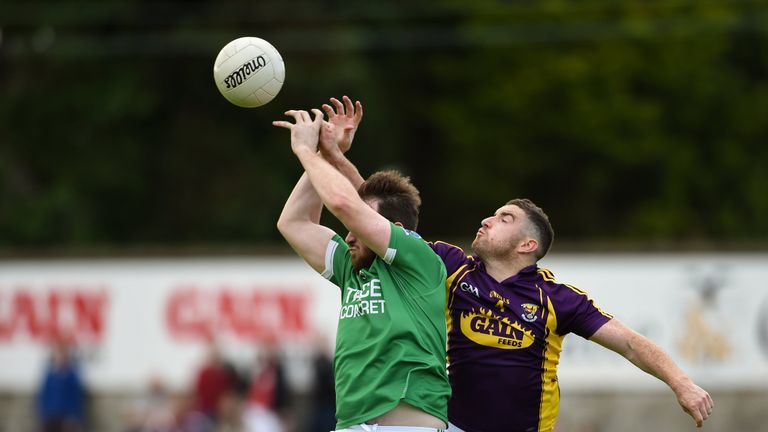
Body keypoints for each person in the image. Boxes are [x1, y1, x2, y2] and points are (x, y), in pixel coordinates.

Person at [316, 96, 715, 432]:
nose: (489, 219)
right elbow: (378, 222)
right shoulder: (450, 266)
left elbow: (629, 341)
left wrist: (681, 383)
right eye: (493, 213)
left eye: (504, 218)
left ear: (527, 244)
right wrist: (335, 158)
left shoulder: (558, 299)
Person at [273, 102, 451, 431]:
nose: (348, 235)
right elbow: (293, 222)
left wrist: (305, 150)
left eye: (359, 226)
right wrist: (329, 154)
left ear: (396, 228)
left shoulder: (418, 259)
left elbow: (343, 203)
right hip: (350, 423)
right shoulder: (351, 267)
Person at [36, 338, 87, 432]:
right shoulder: (50, 374)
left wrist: (74, 415)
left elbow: (75, 397)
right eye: (57, 355)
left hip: (65, 416)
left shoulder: (71, 375)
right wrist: (41, 411)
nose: (59, 358)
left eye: (62, 355)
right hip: (50, 415)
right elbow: (44, 394)